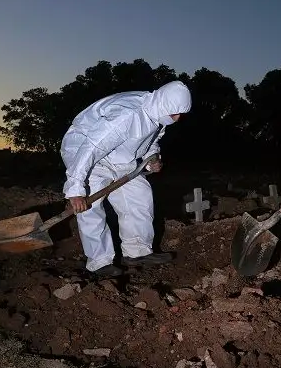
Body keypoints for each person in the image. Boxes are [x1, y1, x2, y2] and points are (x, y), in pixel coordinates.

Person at [60, 80, 192, 278]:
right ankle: (99, 263)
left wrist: (152, 159)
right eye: (175, 113)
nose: (178, 118)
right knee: (90, 205)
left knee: (139, 194)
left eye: (181, 114)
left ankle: (137, 252)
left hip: (119, 157)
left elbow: (152, 140)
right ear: (164, 105)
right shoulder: (126, 116)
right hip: (85, 153)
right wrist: (76, 189)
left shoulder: (158, 113)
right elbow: (92, 148)